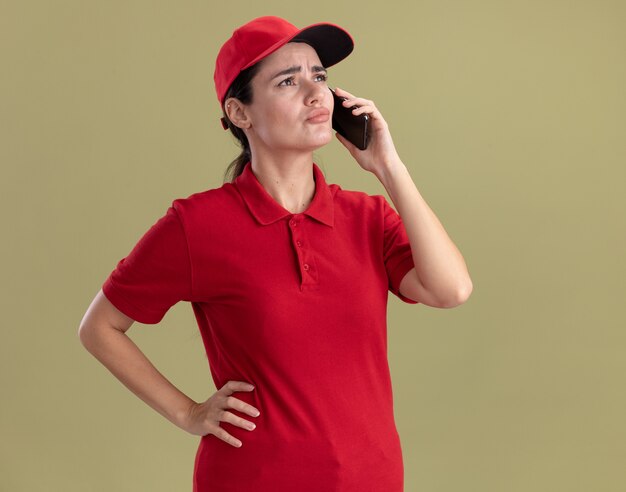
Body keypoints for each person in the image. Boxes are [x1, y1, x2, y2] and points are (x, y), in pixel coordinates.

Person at [78, 15, 472, 492]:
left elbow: (451, 290)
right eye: (288, 81)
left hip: (373, 477)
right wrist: (187, 412)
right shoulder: (197, 225)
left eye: (319, 76)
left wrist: (388, 167)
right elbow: (99, 328)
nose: (315, 94)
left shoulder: (367, 217)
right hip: (251, 479)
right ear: (240, 114)